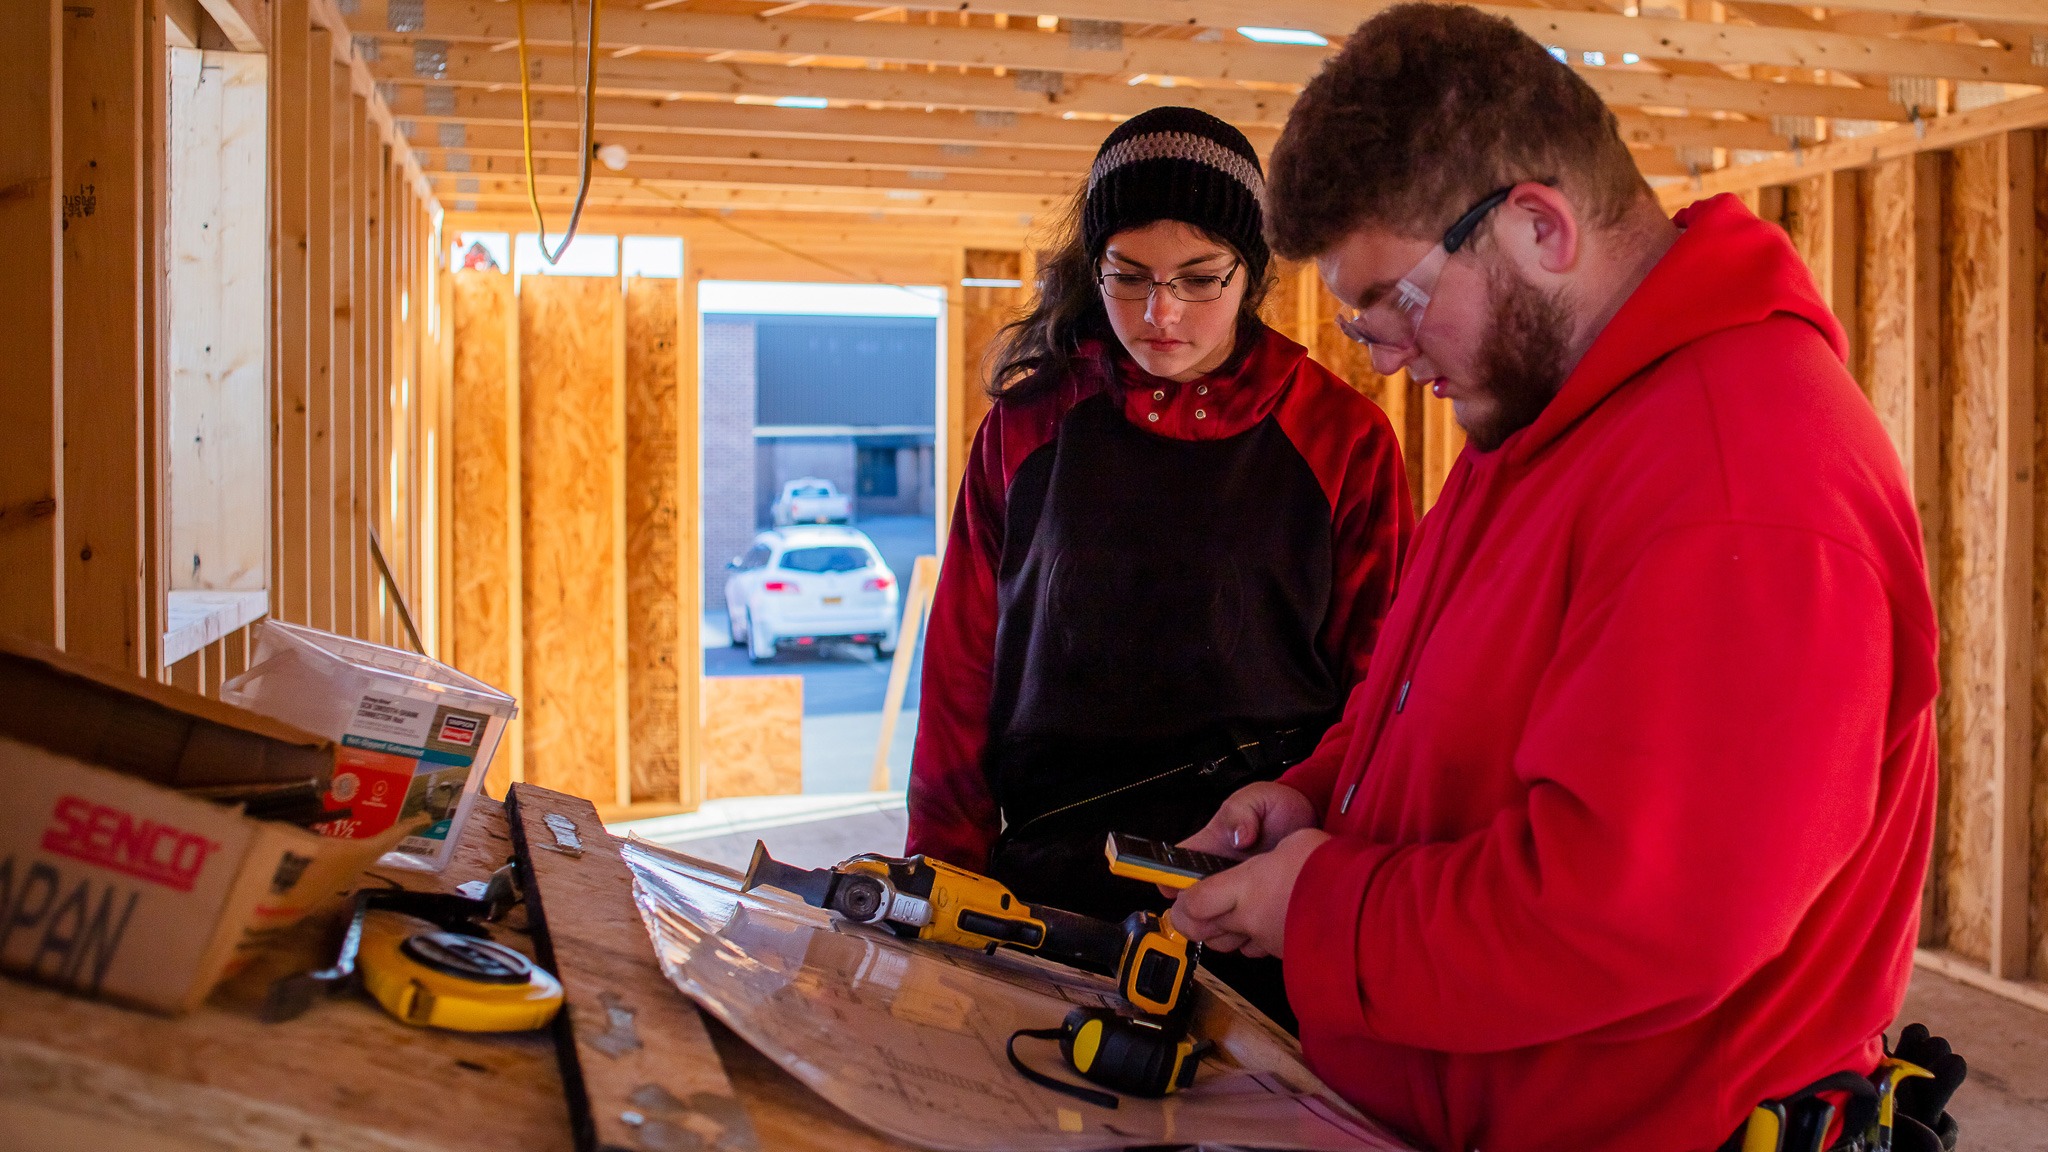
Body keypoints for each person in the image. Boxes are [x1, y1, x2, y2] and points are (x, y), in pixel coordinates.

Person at [1166, 7, 1959, 1152]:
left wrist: (1320, 908)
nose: (1378, 351)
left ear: (1537, 226)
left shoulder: (1738, 476)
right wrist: (1319, 796)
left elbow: (1629, 920)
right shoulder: (1545, 423)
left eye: (1392, 299)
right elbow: (1442, 702)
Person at [906, 106, 1412, 1021]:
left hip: (1250, 901)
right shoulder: (1027, 432)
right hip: (1045, 892)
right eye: (1127, 277)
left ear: (1251, 274)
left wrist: (1332, 890)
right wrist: (937, 883)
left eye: (1198, 279)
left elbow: (1383, 696)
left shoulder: (1343, 441)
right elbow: (960, 678)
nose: (1160, 313)